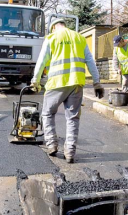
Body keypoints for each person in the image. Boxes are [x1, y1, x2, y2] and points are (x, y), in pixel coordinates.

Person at [30, 18, 104, 163]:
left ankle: (51, 144)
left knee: (47, 113)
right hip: (76, 84)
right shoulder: (79, 38)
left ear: (53, 28)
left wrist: (35, 80)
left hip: (56, 84)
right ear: (65, 25)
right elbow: (90, 61)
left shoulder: (51, 38)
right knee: (73, 118)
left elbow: (41, 61)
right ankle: (70, 152)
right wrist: (97, 83)